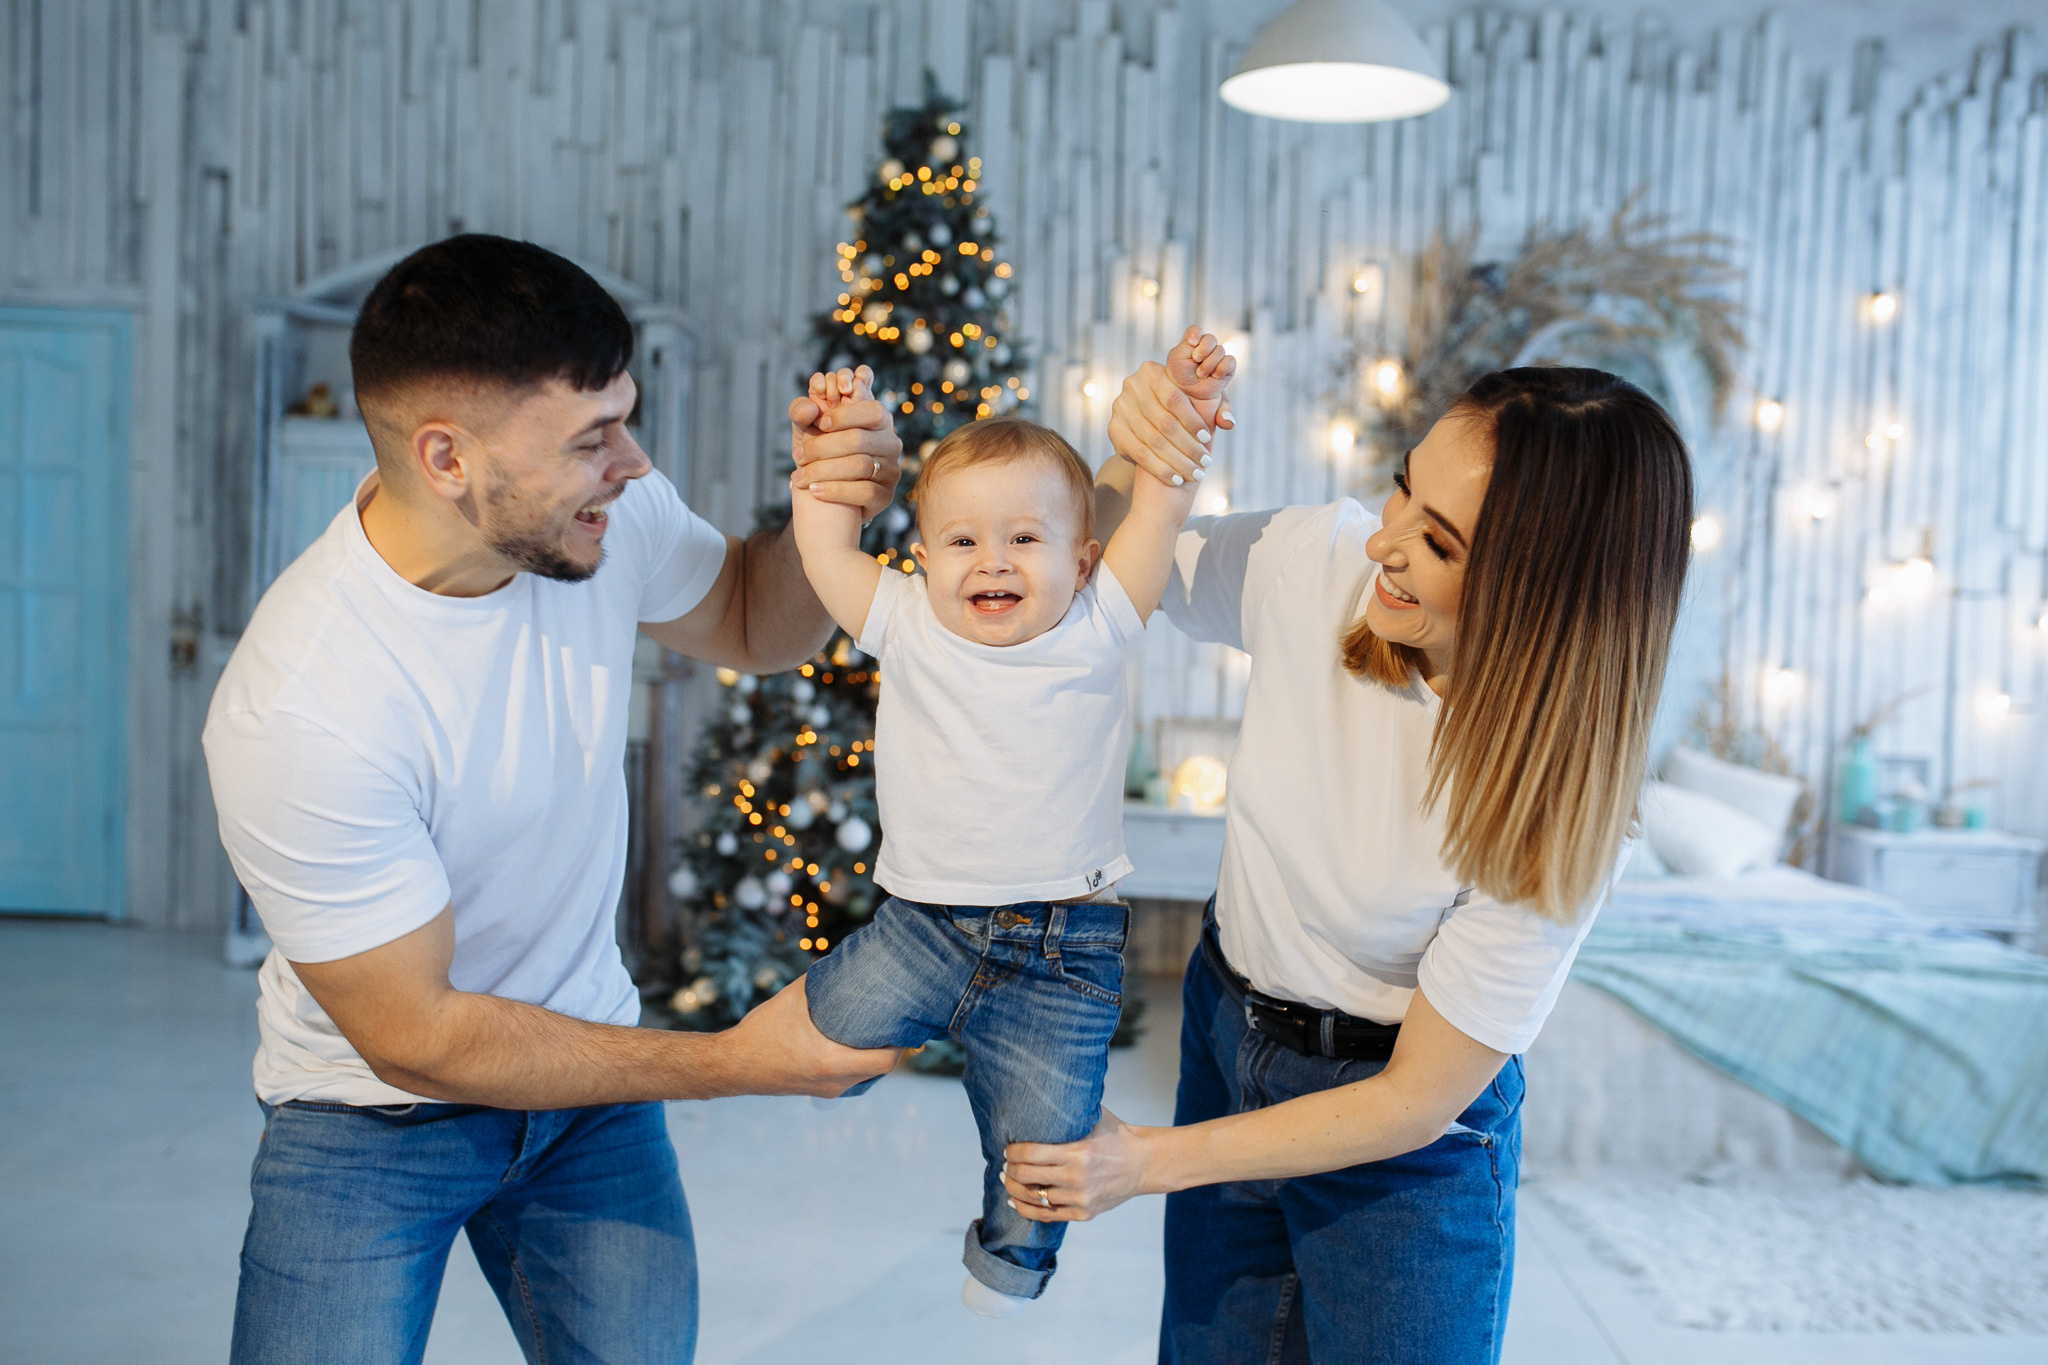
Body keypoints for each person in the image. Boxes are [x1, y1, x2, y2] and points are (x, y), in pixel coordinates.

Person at [203, 234, 903, 1365]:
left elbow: (747, 619)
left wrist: (827, 510)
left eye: (623, 418)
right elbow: (420, 1037)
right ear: (446, 458)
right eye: (590, 438)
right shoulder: (302, 706)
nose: (632, 461)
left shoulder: (598, 518)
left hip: (588, 1096)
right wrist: (736, 1061)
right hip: (366, 1118)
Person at [998, 331, 1694, 1365]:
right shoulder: (1317, 561)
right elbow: (1099, 568)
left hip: (1402, 1149)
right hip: (1226, 1032)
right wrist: (1140, 454)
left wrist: (1146, 1160)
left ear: (1545, 591)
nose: (1383, 543)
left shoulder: (1555, 810)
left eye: (1439, 543)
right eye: (1403, 488)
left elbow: (1414, 1099)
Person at [782, 342, 1228, 1316]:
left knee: (1047, 1137)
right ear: (922, 558)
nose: (991, 560)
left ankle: (1010, 1263)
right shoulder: (905, 619)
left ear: (1082, 560)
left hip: (1061, 947)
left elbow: (1158, 510)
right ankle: (781, 1065)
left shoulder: (1100, 620)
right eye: (962, 541)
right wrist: (829, 442)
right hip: (920, 927)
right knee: (815, 1042)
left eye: (1025, 538)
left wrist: (1184, 418)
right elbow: (823, 551)